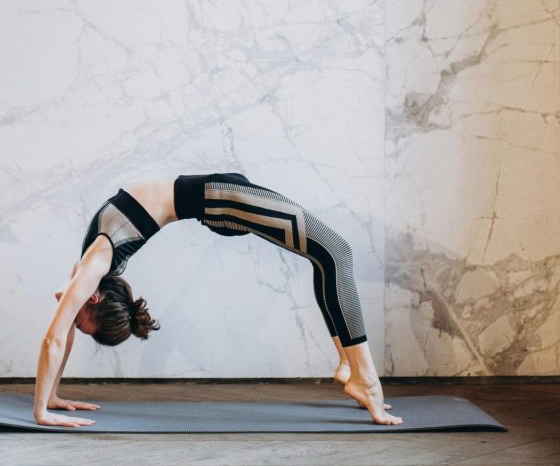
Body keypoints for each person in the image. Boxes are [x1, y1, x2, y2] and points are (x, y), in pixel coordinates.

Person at [33, 172, 401, 427]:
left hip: (221, 196)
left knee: (332, 254)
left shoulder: (94, 263)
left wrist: (41, 410)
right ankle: (358, 374)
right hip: (219, 200)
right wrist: (51, 396)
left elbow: (54, 337)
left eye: (79, 322)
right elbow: (60, 333)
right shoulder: (92, 268)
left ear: (93, 298)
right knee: (333, 254)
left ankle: (354, 371)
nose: (69, 320)